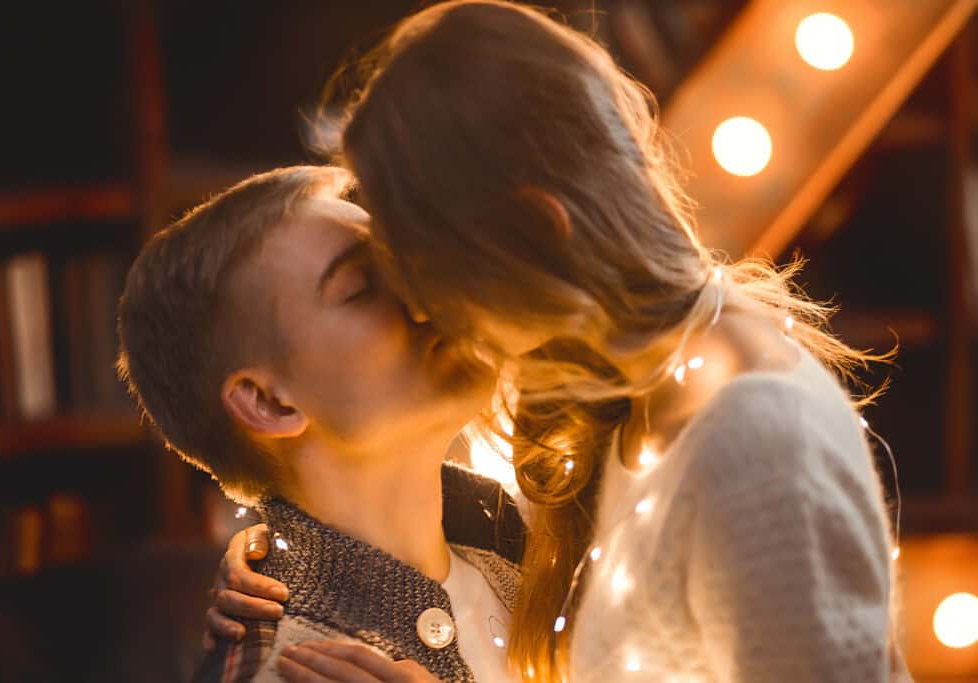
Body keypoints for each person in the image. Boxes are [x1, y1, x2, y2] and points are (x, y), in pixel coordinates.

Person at [207, 2, 909, 681]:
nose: (418, 310)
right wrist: (292, 558)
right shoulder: (603, 394)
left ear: (534, 231)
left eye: (418, 270)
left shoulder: (758, 439)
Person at [116, 165, 527, 683]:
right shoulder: (284, 668)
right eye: (360, 287)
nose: (427, 293)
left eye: (404, 263)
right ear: (270, 402)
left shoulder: (534, 551)